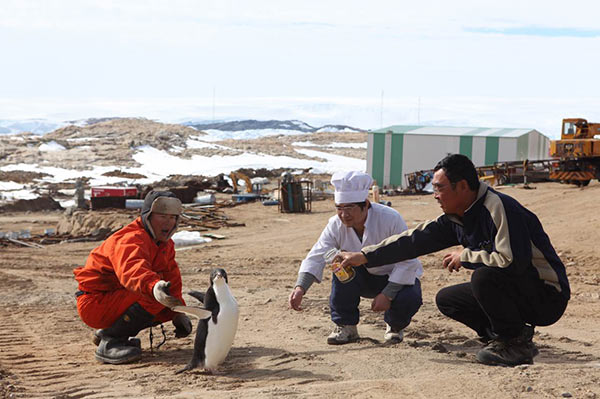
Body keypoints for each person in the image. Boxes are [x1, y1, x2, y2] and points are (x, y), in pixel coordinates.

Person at [337, 154, 570, 366]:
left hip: (547, 295)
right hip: (518, 289)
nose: (435, 195)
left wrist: (465, 256)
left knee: (484, 276)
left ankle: (513, 343)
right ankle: (505, 337)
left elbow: (511, 260)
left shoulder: (499, 207)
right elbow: (413, 241)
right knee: (448, 299)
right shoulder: (456, 216)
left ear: (462, 186)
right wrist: (365, 256)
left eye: (440, 188)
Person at [289, 171, 423, 344]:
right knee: (340, 268)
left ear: (365, 205)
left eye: (349, 208)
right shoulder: (335, 224)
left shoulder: (390, 219)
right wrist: (301, 287)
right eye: (339, 208)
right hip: (361, 278)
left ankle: (395, 327)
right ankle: (346, 325)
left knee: (410, 295)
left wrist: (388, 294)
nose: (344, 214)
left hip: (394, 276)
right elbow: (318, 253)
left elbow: (408, 260)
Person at [73, 190, 193, 364]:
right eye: (162, 216)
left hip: (114, 298)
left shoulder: (164, 244)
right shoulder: (131, 239)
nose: (169, 222)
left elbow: (172, 277)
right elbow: (132, 270)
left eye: (173, 217)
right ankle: (110, 342)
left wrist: (178, 312)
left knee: (166, 305)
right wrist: (153, 286)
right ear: (147, 216)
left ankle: (110, 332)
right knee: (154, 298)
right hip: (95, 303)